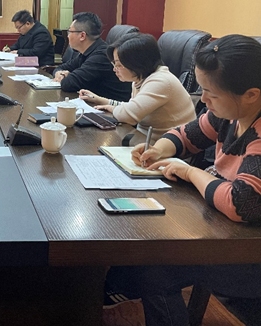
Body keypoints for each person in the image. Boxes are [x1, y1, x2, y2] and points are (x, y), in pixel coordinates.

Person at [105, 34, 261, 326]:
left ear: (251, 94)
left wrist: (189, 172)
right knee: (147, 247)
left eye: (211, 93)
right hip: (225, 230)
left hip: (250, 252)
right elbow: (188, 134)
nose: (203, 100)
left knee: (155, 268)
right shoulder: (230, 113)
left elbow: (243, 204)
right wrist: (158, 149)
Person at [79, 32, 196, 139]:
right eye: (114, 64)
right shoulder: (140, 78)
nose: (114, 69)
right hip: (146, 139)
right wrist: (100, 100)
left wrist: (113, 108)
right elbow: (131, 107)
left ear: (137, 63)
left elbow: (128, 115)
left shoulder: (160, 81)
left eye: (119, 65)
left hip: (168, 148)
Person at [51, 12, 131, 101]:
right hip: (94, 103)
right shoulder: (86, 52)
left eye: (70, 31)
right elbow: (60, 68)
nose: (68, 36)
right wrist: (60, 73)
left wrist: (66, 75)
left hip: (110, 107)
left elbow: (69, 84)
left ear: (82, 36)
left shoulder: (101, 56)